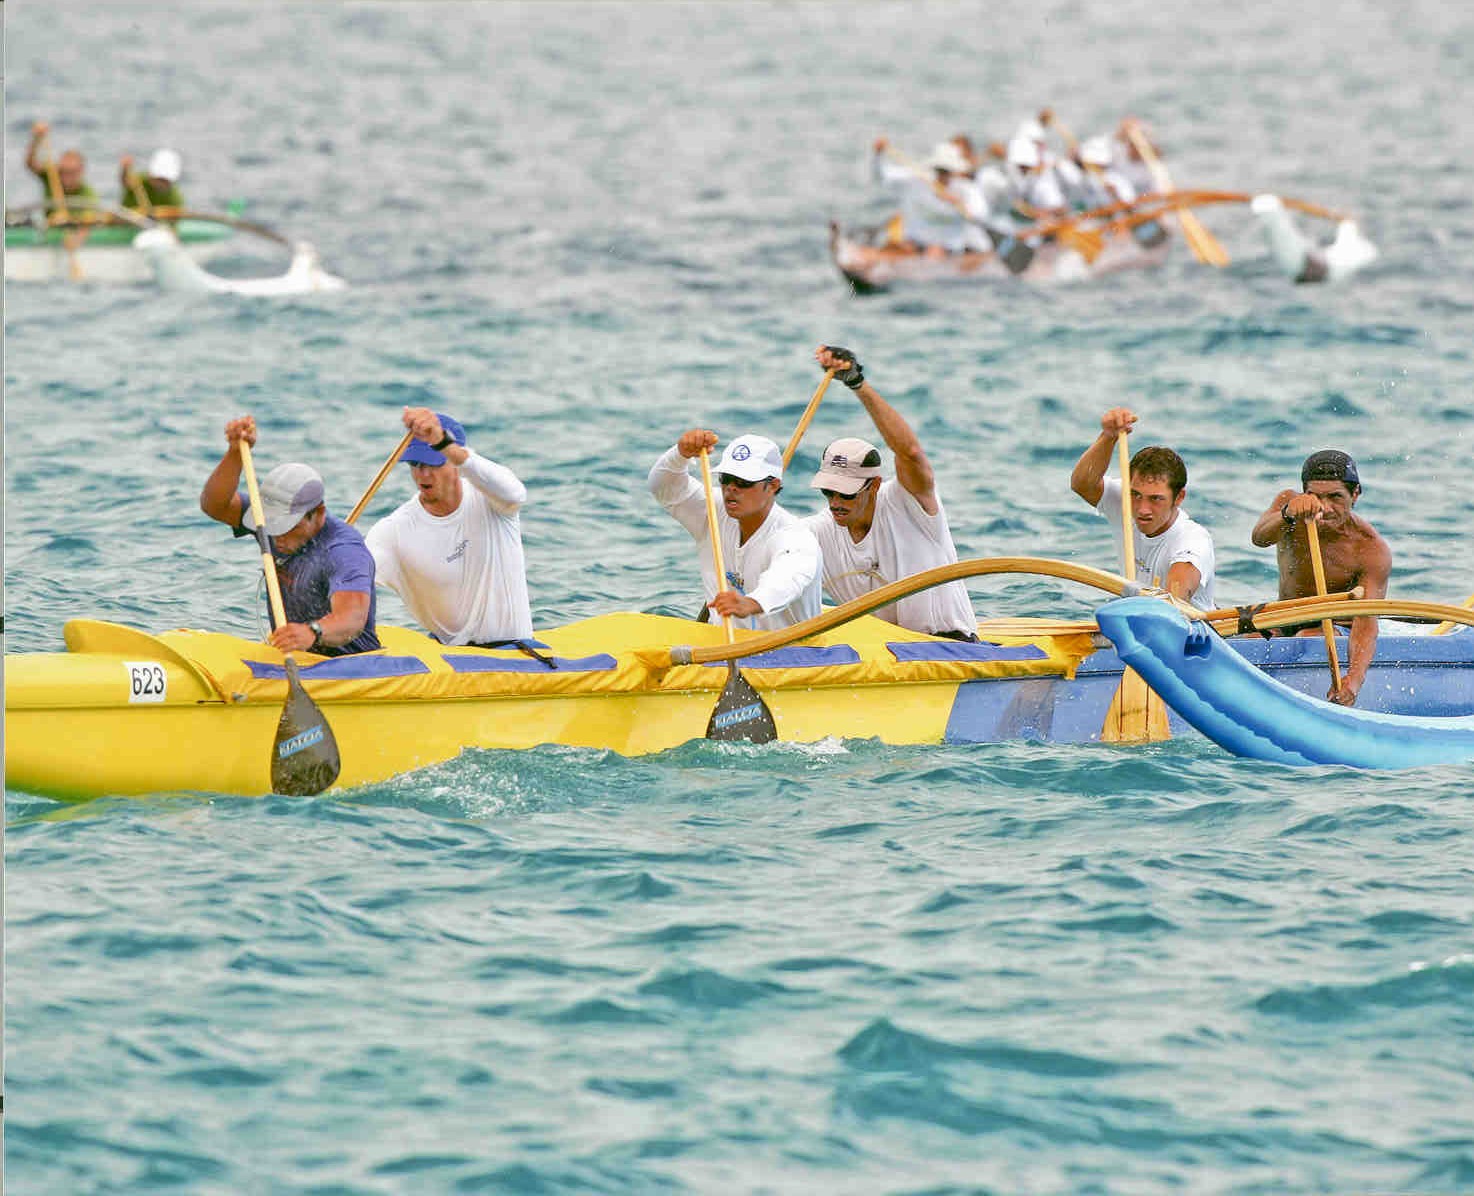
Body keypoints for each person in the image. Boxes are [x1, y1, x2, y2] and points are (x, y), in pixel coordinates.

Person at [802, 346, 978, 640]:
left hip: (950, 647)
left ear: (873, 486)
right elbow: (764, 533)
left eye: (845, 494)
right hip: (879, 658)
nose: (835, 503)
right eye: (828, 491)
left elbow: (909, 452)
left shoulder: (906, 503)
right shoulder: (818, 531)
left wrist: (857, 384)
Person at [200, 415, 379, 655]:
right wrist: (234, 453)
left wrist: (312, 632)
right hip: (293, 657)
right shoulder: (269, 522)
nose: (277, 534)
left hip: (349, 663)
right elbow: (215, 505)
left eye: (288, 525)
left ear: (318, 514)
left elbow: (352, 619)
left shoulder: (344, 550)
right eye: (272, 523)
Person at [364, 407, 534, 647]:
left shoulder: (492, 502)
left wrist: (443, 443)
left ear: (455, 463)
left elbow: (516, 493)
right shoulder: (393, 531)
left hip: (515, 656)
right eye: (414, 464)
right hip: (449, 667)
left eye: (432, 463)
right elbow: (353, 575)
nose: (422, 474)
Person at [1250, 450, 1391, 707]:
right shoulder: (1288, 507)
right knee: (1251, 639)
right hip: (1285, 618)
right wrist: (1287, 513)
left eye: (1336, 497)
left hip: (1334, 629)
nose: (1324, 508)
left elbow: (1366, 622)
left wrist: (1354, 680)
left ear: (1355, 494)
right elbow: (1259, 538)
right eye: (1315, 496)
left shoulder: (1370, 548)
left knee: (1306, 636)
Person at [649, 429, 821, 631]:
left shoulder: (795, 537)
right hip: (721, 643)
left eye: (743, 482)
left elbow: (788, 578)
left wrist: (751, 603)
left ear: (773, 485)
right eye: (726, 478)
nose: (731, 488)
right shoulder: (713, 511)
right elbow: (663, 488)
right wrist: (681, 454)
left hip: (791, 653)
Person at [1070, 408, 1216, 610]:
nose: (1142, 509)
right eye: (1136, 495)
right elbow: (1082, 485)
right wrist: (1108, 437)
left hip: (1187, 630)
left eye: (1156, 499)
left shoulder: (1192, 540)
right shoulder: (1126, 500)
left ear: (1179, 497)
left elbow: (1174, 603)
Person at [870, 137, 989, 256]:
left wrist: (957, 202)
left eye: (946, 171)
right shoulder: (917, 179)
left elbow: (981, 215)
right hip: (913, 242)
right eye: (939, 170)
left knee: (934, 251)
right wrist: (878, 155)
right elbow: (880, 176)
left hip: (946, 247)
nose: (942, 175)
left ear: (954, 171)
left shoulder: (966, 189)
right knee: (893, 248)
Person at [25, 121, 97, 213]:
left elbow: (91, 219)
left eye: (71, 172)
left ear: (80, 171)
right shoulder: (52, 179)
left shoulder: (87, 193)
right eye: (63, 172)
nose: (67, 177)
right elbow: (30, 163)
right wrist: (37, 139)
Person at [120, 148, 185, 211]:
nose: (161, 184)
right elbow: (126, 182)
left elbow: (175, 218)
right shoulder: (139, 181)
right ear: (150, 175)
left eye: (165, 180)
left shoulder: (175, 198)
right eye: (159, 179)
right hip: (126, 218)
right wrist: (125, 170)